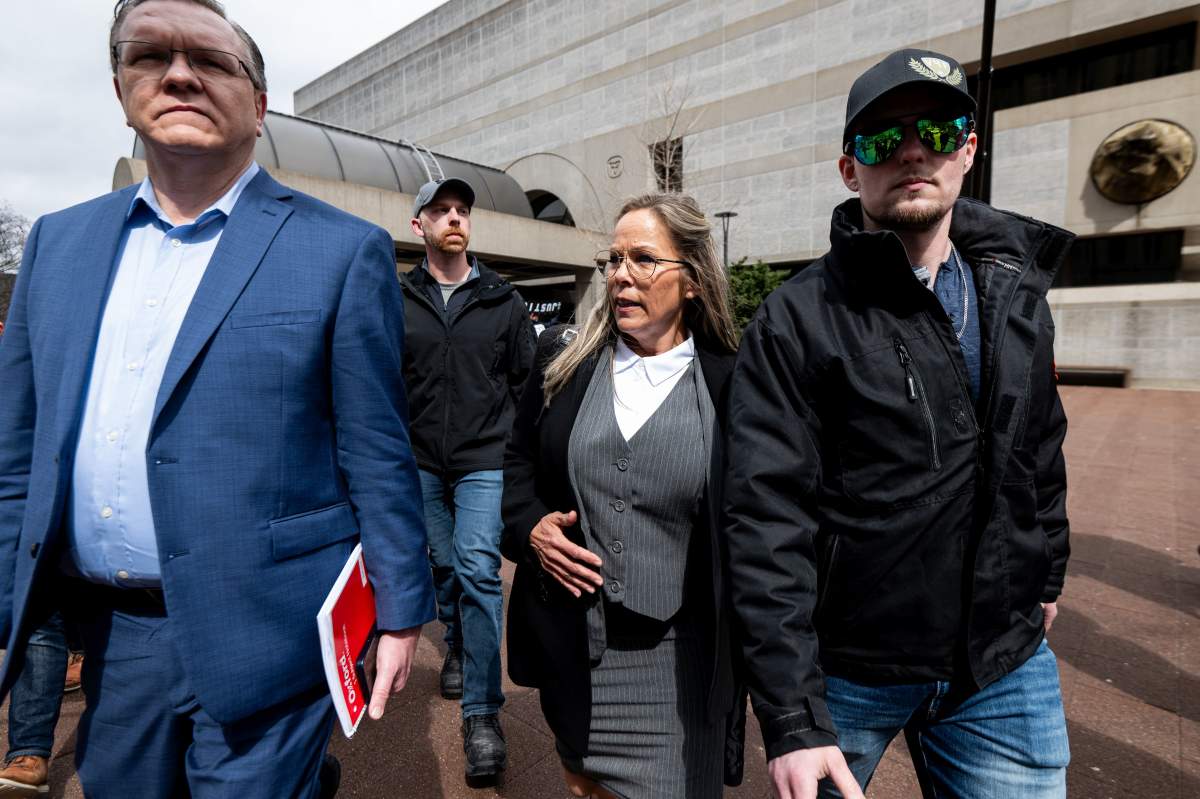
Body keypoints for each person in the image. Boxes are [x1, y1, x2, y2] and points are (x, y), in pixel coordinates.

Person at [0, 1, 435, 796]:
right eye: (149, 56)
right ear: (120, 85)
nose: (177, 73)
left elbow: (375, 446)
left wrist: (401, 608)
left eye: (208, 58)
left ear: (260, 106)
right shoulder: (56, 245)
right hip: (116, 635)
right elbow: (17, 454)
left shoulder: (342, 250)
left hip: (270, 627)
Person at [722, 48, 1073, 799]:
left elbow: (1039, 448)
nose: (912, 151)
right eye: (882, 140)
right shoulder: (797, 318)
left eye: (937, 131)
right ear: (851, 170)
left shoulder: (1015, 295)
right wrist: (790, 712)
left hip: (1000, 664)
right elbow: (763, 515)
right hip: (849, 671)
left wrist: (1047, 571)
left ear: (968, 150)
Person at [501, 193, 743, 798]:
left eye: (642, 259)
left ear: (691, 279)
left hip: (677, 672)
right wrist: (531, 529)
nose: (620, 276)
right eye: (613, 260)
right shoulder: (564, 361)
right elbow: (513, 466)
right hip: (575, 659)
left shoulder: (733, 382)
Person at [399, 177, 535, 781]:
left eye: (462, 211)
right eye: (440, 211)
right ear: (419, 226)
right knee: (446, 565)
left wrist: (519, 456)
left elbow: (527, 388)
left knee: (478, 567)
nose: (454, 218)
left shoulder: (503, 302)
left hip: (485, 458)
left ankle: (482, 714)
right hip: (422, 459)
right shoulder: (397, 300)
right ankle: (455, 641)